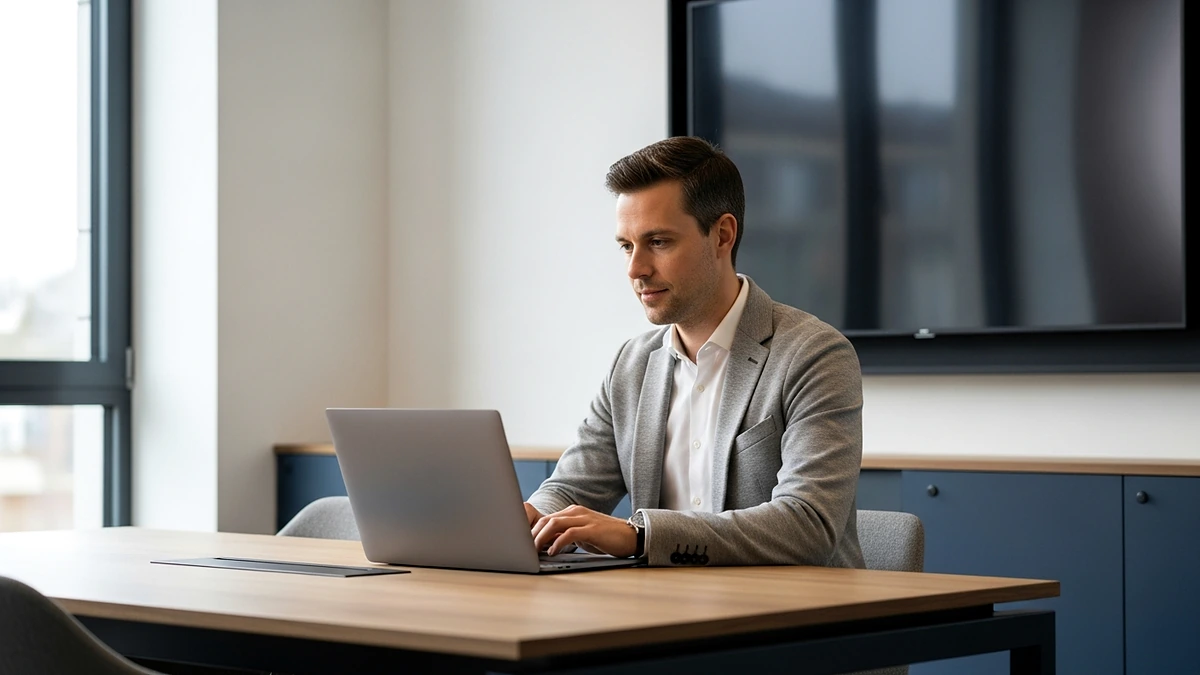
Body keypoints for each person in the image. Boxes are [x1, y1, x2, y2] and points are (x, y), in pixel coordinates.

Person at [526, 136, 865, 568]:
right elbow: (572, 487)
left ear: (722, 234)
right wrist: (533, 516)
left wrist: (641, 535)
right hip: (666, 614)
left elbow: (808, 525)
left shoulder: (814, 354)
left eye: (659, 242)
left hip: (794, 619)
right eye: (627, 246)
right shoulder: (631, 365)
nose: (636, 269)